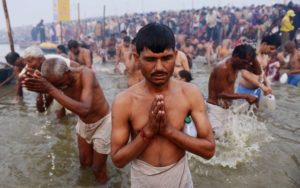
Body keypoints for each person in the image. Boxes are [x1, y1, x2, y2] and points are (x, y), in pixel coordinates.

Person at [111, 23, 215, 188]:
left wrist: (168, 131)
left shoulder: (190, 94)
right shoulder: (124, 101)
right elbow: (118, 160)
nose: (159, 67)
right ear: (137, 58)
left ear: (175, 55)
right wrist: (148, 132)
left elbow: (209, 150)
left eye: (166, 58)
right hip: (143, 181)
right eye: (150, 59)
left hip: (180, 179)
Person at [23, 58, 111, 184]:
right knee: (85, 163)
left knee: (98, 169)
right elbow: (41, 109)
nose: (60, 87)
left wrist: (51, 89)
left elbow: (85, 109)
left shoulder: (85, 73)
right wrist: (40, 91)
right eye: (55, 85)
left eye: (60, 83)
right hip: (84, 123)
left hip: (103, 123)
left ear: (68, 72)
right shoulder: (54, 83)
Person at [207, 44, 261, 136]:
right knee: (216, 139)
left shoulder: (238, 64)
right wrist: (246, 96)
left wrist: (253, 56)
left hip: (226, 109)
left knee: (227, 138)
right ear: (235, 57)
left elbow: (257, 71)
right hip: (215, 109)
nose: (246, 65)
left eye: (248, 62)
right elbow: (222, 94)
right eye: (245, 62)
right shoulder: (223, 68)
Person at [236, 34, 281, 101]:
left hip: (257, 90)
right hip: (244, 90)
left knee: (256, 111)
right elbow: (244, 74)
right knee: (240, 111)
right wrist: (262, 86)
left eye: (274, 49)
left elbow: (262, 73)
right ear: (265, 44)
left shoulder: (266, 56)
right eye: (271, 48)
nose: (272, 51)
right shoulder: (250, 53)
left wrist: (267, 85)